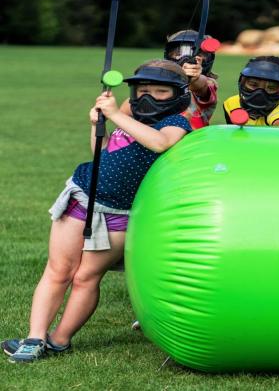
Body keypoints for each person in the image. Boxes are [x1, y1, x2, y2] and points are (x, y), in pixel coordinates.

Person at [2, 60, 192, 363]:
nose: (149, 97)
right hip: (82, 197)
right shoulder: (130, 114)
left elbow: (158, 144)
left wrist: (115, 114)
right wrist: (98, 125)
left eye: (160, 91)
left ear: (178, 95)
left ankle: (60, 340)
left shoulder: (176, 124)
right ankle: (34, 338)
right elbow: (100, 153)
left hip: (121, 212)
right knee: (58, 270)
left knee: (86, 276)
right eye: (143, 90)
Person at [119, 29, 219, 129]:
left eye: (196, 54)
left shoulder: (208, 83)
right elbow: (125, 111)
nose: (185, 59)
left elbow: (201, 86)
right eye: (177, 53)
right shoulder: (159, 83)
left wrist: (194, 79)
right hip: (154, 139)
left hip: (190, 142)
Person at [223, 56, 279, 127]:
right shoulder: (231, 103)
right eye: (253, 84)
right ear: (241, 81)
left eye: (271, 87)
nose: (259, 93)